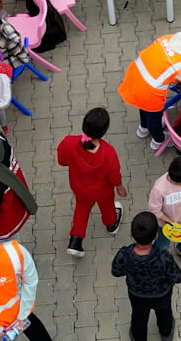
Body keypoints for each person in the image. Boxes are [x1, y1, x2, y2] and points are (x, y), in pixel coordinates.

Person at [57, 107, 128, 257]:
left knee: (82, 208)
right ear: (104, 131)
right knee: (108, 207)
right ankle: (111, 224)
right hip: (102, 191)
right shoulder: (108, 153)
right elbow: (114, 176)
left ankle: (75, 240)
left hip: (79, 188)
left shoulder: (68, 143)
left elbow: (62, 161)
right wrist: (119, 187)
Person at [111, 212, 181, 341]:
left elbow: (116, 272)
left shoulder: (124, 254)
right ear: (156, 235)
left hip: (137, 295)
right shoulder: (163, 257)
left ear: (132, 234)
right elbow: (178, 277)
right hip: (162, 294)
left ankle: (138, 337)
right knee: (165, 314)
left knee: (138, 316)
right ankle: (166, 333)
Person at [147, 156, 181, 271]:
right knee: (162, 244)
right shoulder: (159, 189)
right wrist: (171, 222)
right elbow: (154, 210)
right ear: (173, 181)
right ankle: (157, 257)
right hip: (165, 224)